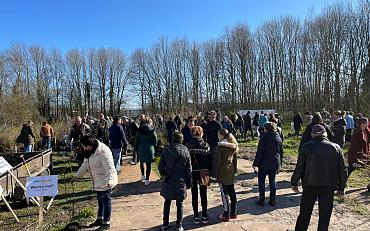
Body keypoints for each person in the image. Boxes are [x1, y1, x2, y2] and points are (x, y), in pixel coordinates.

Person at [291, 124, 347, 231]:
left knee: (305, 213)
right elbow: (343, 169)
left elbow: (300, 167)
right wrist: (341, 187)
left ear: (312, 134)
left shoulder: (306, 147)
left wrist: (294, 182)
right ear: (325, 134)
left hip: (309, 184)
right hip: (329, 185)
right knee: (325, 215)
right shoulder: (336, 147)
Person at [74, 136, 118, 231]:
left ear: (90, 145)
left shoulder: (103, 151)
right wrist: (77, 175)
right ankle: (99, 219)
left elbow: (110, 168)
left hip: (106, 181)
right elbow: (85, 164)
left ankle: (106, 223)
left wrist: (111, 182)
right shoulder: (89, 151)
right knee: (100, 201)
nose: (84, 148)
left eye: (85, 146)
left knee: (106, 202)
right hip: (97, 181)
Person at [158, 132, 192, 231]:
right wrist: (190, 183)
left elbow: (160, 166)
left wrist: (164, 174)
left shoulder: (166, 150)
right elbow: (188, 169)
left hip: (168, 180)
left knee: (167, 202)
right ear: (182, 139)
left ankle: (165, 225)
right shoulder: (185, 151)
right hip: (181, 180)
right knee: (180, 203)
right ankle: (179, 225)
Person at [253, 122, 283, 206]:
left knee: (261, 181)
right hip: (274, 163)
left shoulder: (264, 137)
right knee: (272, 181)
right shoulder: (278, 137)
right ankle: (272, 200)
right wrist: (280, 164)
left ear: (266, 129)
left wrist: (255, 163)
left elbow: (259, 152)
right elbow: (281, 152)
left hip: (264, 163)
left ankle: (261, 199)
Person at [186, 126, 211, 224]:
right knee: (204, 194)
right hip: (204, 171)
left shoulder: (188, 145)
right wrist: (210, 171)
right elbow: (209, 160)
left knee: (194, 194)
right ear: (201, 133)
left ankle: (196, 216)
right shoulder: (205, 145)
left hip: (192, 172)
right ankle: (204, 215)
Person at [213, 128, 238, 222]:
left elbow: (217, 162)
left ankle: (226, 214)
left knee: (224, 194)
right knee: (232, 191)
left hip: (222, 172)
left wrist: (214, 174)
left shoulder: (220, 146)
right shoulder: (233, 145)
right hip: (230, 171)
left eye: (218, 134)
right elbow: (235, 160)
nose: (217, 136)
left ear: (222, 135)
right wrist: (235, 170)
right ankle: (234, 212)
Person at [134, 117, 158, 185]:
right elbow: (155, 140)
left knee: (141, 162)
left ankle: (142, 176)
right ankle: (147, 180)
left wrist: (135, 149)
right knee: (148, 164)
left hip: (141, 148)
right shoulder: (152, 130)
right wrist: (153, 145)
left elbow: (137, 141)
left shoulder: (139, 131)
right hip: (150, 149)